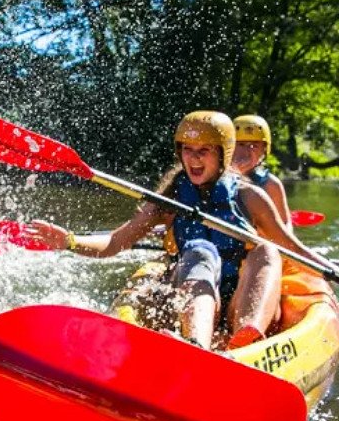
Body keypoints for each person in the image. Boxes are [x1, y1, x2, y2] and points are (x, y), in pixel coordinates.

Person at [25, 110, 339, 351]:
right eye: (187, 149)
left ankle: (246, 343)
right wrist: (69, 240)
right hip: (194, 292)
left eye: (204, 150)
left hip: (242, 297)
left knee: (268, 250)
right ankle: (196, 345)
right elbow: (116, 242)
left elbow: (291, 247)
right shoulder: (171, 197)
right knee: (200, 250)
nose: (194, 158)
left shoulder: (250, 196)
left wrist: (329, 271)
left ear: (222, 154)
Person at [232, 114, 291, 229]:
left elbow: (285, 226)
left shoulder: (271, 185)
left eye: (254, 145)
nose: (246, 151)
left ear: (264, 150)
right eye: (241, 144)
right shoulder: (216, 177)